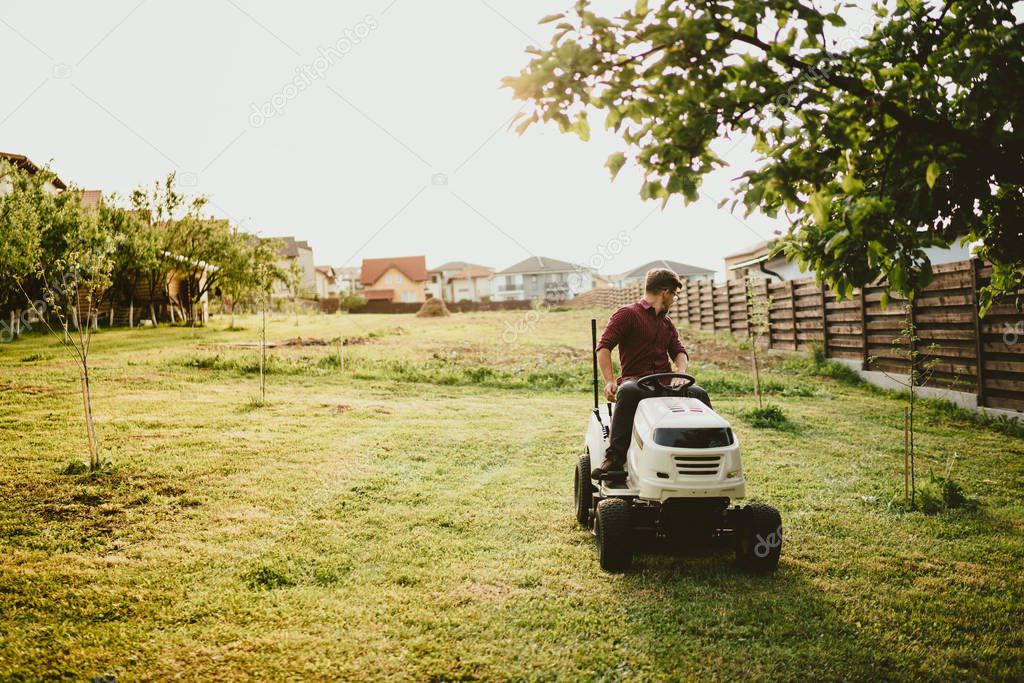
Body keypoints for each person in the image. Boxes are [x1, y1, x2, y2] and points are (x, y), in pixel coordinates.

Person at [591, 268, 713, 478]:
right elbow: (603, 347)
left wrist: (680, 372)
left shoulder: (667, 323)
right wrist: (610, 380)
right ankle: (614, 459)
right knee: (627, 391)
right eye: (674, 294)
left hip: (666, 384)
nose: (674, 300)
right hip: (638, 384)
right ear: (665, 292)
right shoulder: (627, 314)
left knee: (698, 393)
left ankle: (707, 452)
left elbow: (679, 352)